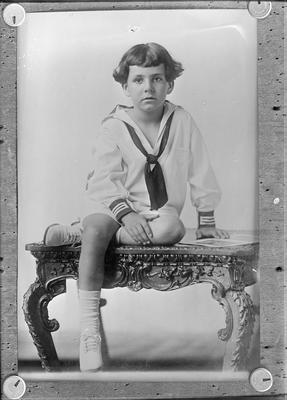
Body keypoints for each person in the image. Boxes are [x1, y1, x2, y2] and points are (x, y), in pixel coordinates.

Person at [43, 42, 229, 372]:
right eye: (139, 80)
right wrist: (125, 215)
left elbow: (201, 168)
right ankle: (89, 333)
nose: (148, 87)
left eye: (157, 79)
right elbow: (102, 181)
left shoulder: (182, 121)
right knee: (99, 227)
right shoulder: (114, 125)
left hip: (156, 215)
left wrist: (207, 217)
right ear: (125, 86)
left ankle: (79, 232)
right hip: (113, 206)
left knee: (173, 228)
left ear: (169, 84)